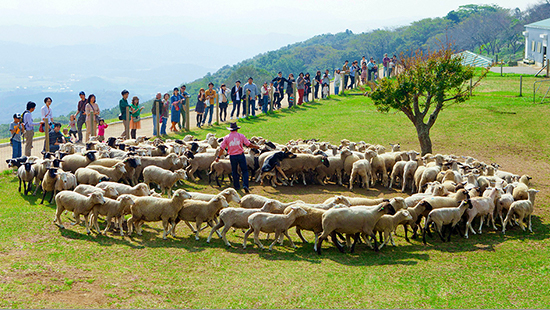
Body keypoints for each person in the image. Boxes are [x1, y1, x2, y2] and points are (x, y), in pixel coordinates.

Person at [216, 122, 259, 193]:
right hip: (240, 155)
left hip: (232, 156)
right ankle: (245, 185)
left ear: (230, 130)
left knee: (234, 171)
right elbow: (248, 144)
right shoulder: (241, 136)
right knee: (244, 170)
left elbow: (222, 148)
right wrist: (255, 146)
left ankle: (236, 186)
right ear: (237, 129)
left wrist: (218, 156)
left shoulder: (226, 137)